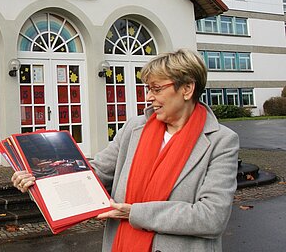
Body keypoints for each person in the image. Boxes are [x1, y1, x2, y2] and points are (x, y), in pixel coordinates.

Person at [12, 49, 239, 251]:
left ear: (187, 88)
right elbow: (94, 176)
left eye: (157, 89)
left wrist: (135, 213)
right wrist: (40, 180)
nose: (149, 97)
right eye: (148, 89)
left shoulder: (221, 141)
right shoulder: (134, 129)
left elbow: (211, 217)